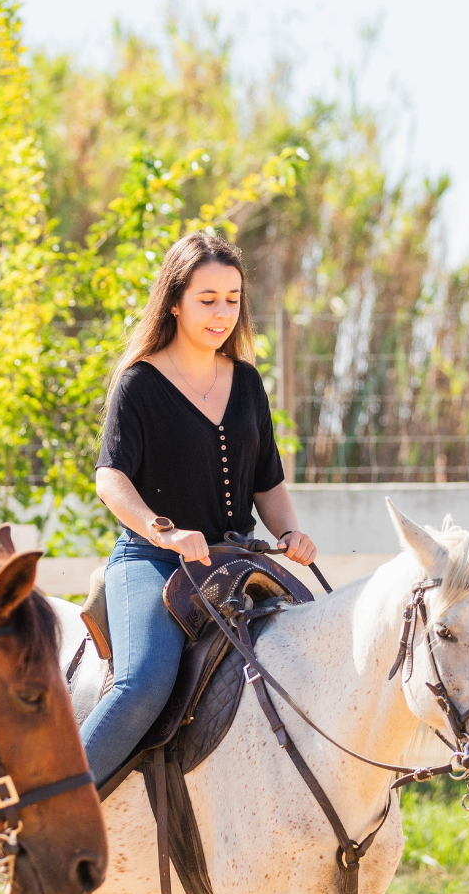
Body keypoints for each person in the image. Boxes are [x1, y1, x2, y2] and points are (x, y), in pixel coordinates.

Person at [83, 230, 318, 787]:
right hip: (152, 562)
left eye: (232, 299)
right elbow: (109, 478)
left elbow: (269, 485)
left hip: (235, 564)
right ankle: (46, 814)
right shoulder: (138, 383)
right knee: (142, 683)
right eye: (207, 299)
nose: (222, 313)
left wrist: (293, 534)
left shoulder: (248, 384)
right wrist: (161, 531)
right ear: (174, 301)